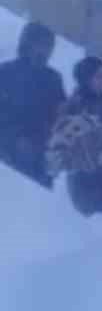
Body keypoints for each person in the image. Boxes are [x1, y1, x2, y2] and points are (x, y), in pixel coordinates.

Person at [46, 56, 102, 230]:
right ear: (87, 77)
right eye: (99, 77)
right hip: (87, 182)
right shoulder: (75, 105)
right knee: (99, 230)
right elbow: (66, 145)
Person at [0, 21, 66, 188]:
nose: (45, 51)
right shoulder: (5, 73)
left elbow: (61, 116)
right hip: (8, 158)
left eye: (49, 46)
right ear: (27, 44)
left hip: (41, 157)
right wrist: (14, 138)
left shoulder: (53, 79)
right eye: (41, 45)